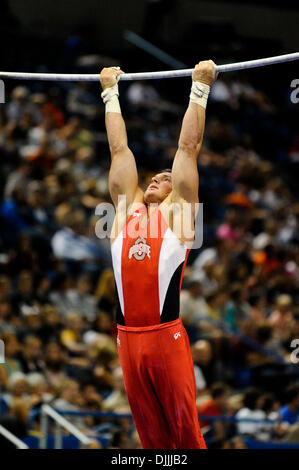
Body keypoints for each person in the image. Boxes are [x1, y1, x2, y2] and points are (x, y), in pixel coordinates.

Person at [99, 59, 217, 449]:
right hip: (127, 339)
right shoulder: (124, 212)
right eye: (155, 175)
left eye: (166, 177)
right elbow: (118, 149)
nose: (157, 177)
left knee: (184, 435)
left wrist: (199, 86)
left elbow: (188, 147)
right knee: (151, 440)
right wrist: (109, 93)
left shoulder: (179, 213)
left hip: (165, 336)